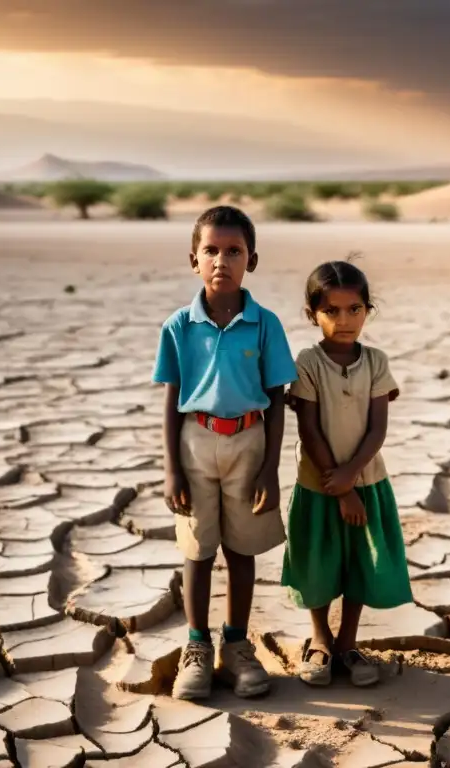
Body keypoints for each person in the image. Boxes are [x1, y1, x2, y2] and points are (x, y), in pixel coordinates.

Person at [152, 205, 298, 700]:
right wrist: (172, 468)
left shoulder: (265, 325)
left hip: (249, 443)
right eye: (211, 250)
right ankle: (197, 645)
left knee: (241, 549)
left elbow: (277, 397)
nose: (222, 260)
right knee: (197, 549)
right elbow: (172, 399)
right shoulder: (178, 326)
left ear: (251, 260)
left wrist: (271, 468)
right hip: (195, 441)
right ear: (193, 259)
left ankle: (236, 646)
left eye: (233, 251)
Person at [281, 260, 413, 687]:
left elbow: (377, 429)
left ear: (367, 310)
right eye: (331, 311)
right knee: (318, 563)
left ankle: (347, 644)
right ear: (312, 314)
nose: (344, 320)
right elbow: (309, 429)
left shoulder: (376, 361)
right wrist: (338, 488)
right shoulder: (307, 362)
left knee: (359, 560)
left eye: (354, 309)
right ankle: (319, 640)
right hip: (318, 485)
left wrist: (352, 479)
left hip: (367, 482)